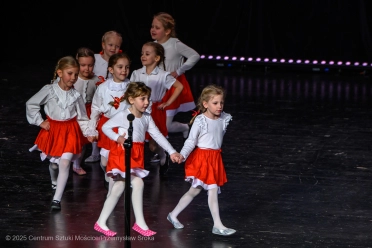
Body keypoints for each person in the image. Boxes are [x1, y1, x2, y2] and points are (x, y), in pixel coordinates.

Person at [94, 81, 181, 237]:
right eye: (142, 99)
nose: (146, 102)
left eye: (148, 98)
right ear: (131, 99)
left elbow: (157, 135)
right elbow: (105, 127)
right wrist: (118, 138)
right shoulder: (123, 115)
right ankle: (140, 223)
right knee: (138, 182)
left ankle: (100, 222)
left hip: (136, 154)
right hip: (123, 153)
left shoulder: (146, 117)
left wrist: (172, 151)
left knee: (118, 189)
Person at [166, 85, 236, 236]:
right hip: (202, 159)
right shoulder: (200, 120)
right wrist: (182, 155)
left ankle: (173, 214)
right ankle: (217, 225)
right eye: (215, 103)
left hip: (215, 158)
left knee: (194, 191)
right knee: (212, 190)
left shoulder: (224, 118)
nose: (219, 106)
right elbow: (191, 141)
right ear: (205, 104)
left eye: (221, 103)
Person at [26, 56, 94, 211]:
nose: (73, 78)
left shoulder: (76, 96)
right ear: (60, 73)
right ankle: (54, 180)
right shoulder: (49, 90)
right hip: (54, 131)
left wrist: (89, 131)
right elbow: (31, 103)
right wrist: (40, 121)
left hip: (70, 131)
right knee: (54, 165)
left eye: (76, 75)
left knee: (65, 163)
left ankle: (56, 200)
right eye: (70, 74)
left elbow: (83, 117)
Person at [130, 41, 183, 174]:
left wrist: (167, 102)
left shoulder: (163, 75)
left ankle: (163, 155)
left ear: (157, 58)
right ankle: (134, 168)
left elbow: (179, 87)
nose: (143, 56)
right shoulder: (136, 73)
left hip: (155, 111)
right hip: (138, 110)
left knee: (153, 146)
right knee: (137, 140)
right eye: (142, 53)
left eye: (147, 54)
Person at [150, 12, 200, 141]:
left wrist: (179, 71)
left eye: (157, 27)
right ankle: (158, 151)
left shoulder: (175, 44)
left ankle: (184, 127)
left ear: (167, 31)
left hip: (172, 86)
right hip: (155, 86)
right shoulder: (152, 45)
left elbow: (195, 56)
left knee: (165, 125)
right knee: (154, 122)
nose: (153, 30)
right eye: (152, 26)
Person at [86, 53, 131, 190]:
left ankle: (117, 187)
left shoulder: (131, 87)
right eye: (120, 67)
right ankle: (107, 173)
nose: (124, 70)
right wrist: (91, 129)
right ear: (111, 70)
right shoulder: (103, 87)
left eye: (127, 67)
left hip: (123, 126)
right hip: (108, 126)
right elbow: (95, 108)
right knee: (105, 161)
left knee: (121, 157)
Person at [85, 30, 123, 163]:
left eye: (117, 46)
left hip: (110, 99)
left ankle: (105, 151)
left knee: (105, 124)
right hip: (95, 98)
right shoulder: (95, 59)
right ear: (103, 45)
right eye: (110, 45)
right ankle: (94, 152)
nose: (113, 48)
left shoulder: (119, 61)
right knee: (94, 123)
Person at [69, 47, 101, 175]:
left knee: (83, 141)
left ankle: (76, 165)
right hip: (74, 111)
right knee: (73, 139)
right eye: (83, 65)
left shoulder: (97, 80)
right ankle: (67, 161)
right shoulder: (73, 78)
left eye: (90, 65)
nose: (86, 69)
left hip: (89, 111)